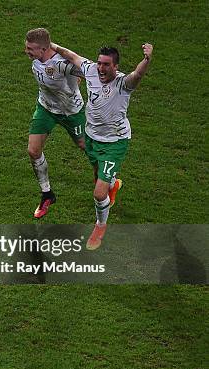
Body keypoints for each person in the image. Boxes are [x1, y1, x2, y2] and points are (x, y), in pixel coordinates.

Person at [51, 42, 154, 249]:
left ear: (115, 67)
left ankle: (100, 226)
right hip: (92, 137)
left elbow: (137, 75)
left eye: (106, 65)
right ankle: (113, 184)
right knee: (99, 176)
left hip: (115, 142)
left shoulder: (123, 84)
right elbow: (72, 54)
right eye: (99, 63)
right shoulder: (90, 70)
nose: (101, 68)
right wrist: (50, 44)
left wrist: (146, 60)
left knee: (99, 192)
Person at [24, 28, 86, 218]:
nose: (27, 51)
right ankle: (47, 194)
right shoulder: (37, 60)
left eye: (30, 49)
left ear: (44, 49)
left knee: (88, 148)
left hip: (71, 112)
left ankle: (109, 182)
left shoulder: (61, 64)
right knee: (33, 151)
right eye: (26, 47)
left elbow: (86, 71)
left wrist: (72, 88)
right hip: (45, 109)